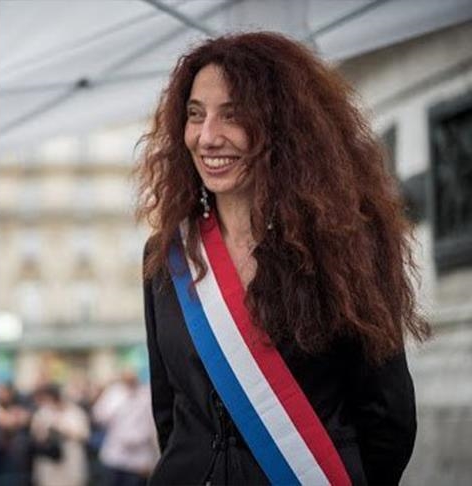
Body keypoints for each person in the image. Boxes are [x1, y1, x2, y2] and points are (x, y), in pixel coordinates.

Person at [135, 32, 431, 485]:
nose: (207, 137)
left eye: (232, 115)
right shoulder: (166, 255)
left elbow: (386, 419)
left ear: (283, 127)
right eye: (195, 115)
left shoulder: (347, 246)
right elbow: (170, 414)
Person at [29, 383, 90, 486]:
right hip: (49, 461)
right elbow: (36, 434)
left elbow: (84, 435)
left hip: (70, 459)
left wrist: (63, 430)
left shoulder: (75, 412)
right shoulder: (43, 412)